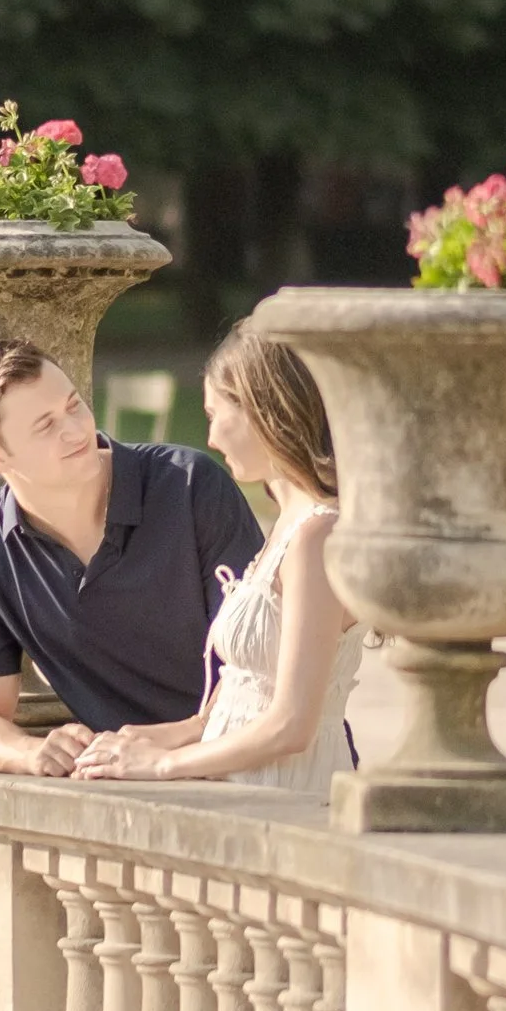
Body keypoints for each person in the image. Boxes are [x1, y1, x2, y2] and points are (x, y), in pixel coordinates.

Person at [0, 338, 265, 775]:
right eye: (45, 425)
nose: (76, 430)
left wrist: (177, 739)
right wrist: (29, 752)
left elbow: (263, 671)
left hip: (255, 767)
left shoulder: (189, 488)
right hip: (124, 789)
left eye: (74, 406)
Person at [74, 325, 363, 789]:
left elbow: (292, 724)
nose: (209, 437)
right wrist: (159, 737)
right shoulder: (287, 526)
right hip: (241, 783)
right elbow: (250, 691)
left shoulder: (318, 536)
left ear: (261, 410)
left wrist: (164, 765)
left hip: (283, 793)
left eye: (214, 414)